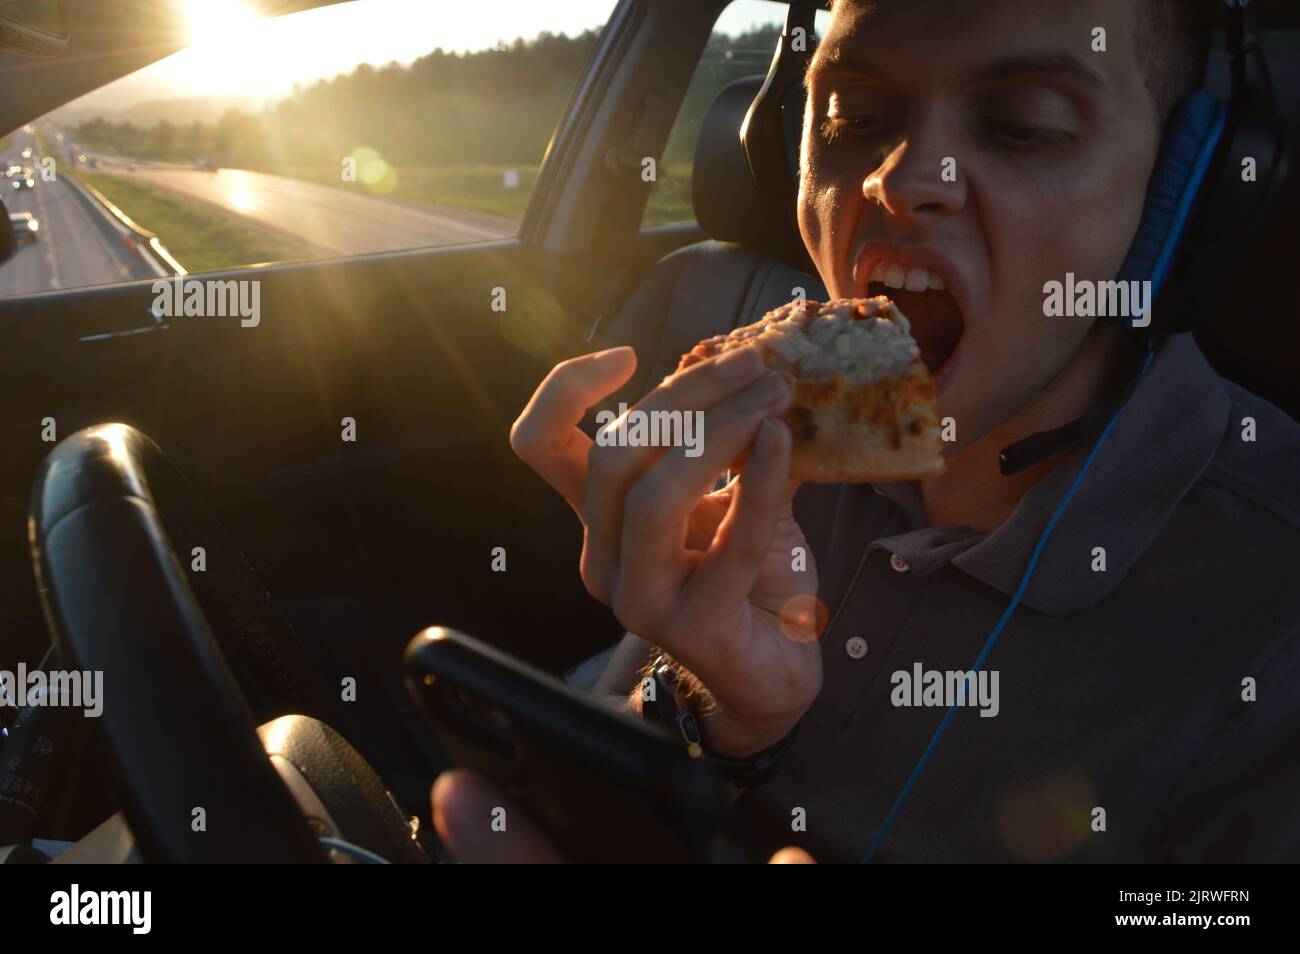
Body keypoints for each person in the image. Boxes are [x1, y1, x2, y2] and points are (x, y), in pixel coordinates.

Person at [435, 0, 1300, 862]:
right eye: (855, 117)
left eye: (1023, 124)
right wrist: (717, 721)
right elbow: (630, 761)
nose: (906, 174)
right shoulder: (775, 451)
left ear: (1184, 187)